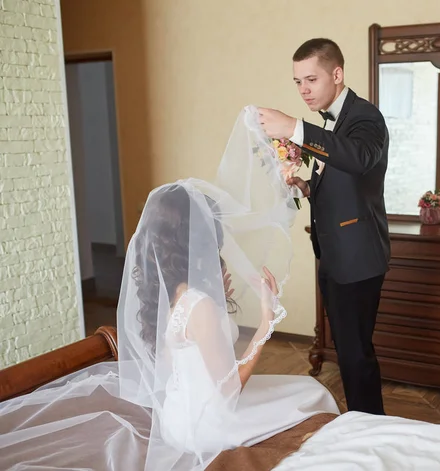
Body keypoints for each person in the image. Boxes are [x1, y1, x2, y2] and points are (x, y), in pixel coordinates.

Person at [0, 107, 340, 471]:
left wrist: (217, 302)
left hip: (179, 416)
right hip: (208, 424)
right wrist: (266, 320)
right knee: (312, 392)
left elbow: (188, 362)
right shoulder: (199, 305)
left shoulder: (170, 294)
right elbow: (228, 390)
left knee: (301, 391)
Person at [258, 38, 390, 415]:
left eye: (311, 79)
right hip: (333, 255)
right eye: (298, 82)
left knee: (355, 354)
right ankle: (361, 423)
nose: (303, 90)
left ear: (337, 74)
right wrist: (306, 186)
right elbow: (342, 182)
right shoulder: (331, 123)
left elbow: (360, 159)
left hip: (358, 257)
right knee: (348, 352)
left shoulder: (365, 117)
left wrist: (294, 127)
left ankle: (369, 427)